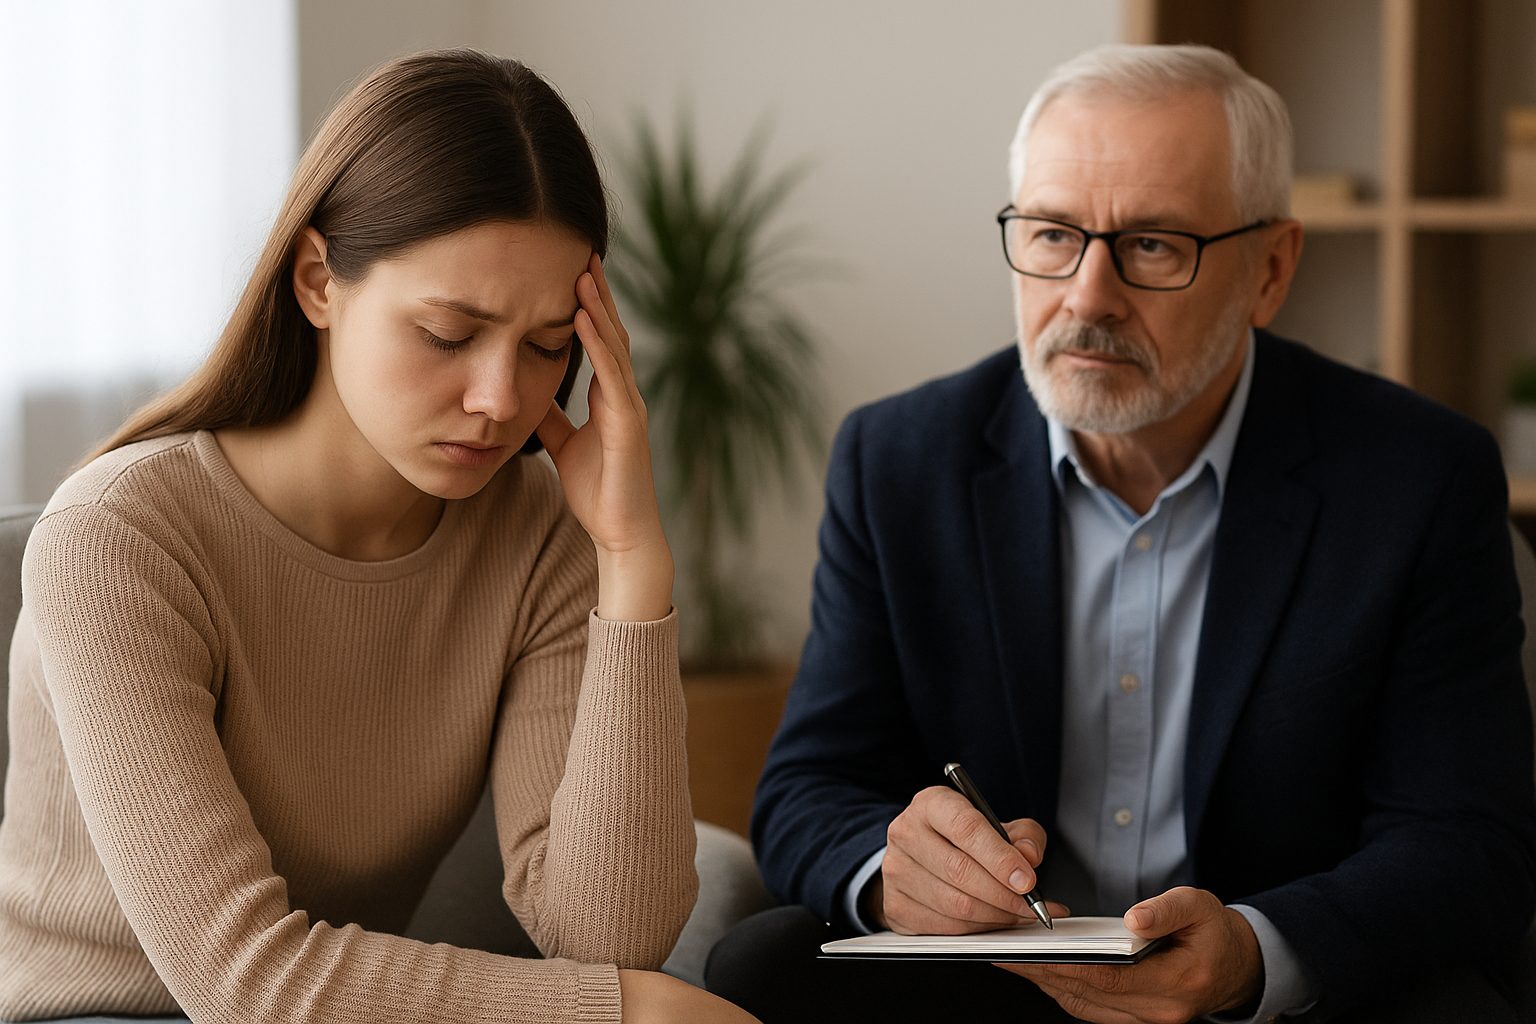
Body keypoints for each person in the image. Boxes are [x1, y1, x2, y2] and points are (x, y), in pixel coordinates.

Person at [705, 44, 1536, 1024]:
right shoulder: (899, 460)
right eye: (1053, 234)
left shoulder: (1418, 477)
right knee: (760, 965)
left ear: (1271, 270)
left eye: (1151, 245)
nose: (1088, 296)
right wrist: (895, 873)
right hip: (997, 983)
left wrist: (1251, 955)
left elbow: (1463, 838)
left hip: (1276, 993)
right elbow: (807, 786)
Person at [0, 49, 757, 1024]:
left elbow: (609, 941)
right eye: (448, 332)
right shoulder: (120, 540)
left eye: (544, 347)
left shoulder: (536, 533)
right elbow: (244, 977)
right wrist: (627, 1014)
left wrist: (630, 562)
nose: (499, 400)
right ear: (319, 280)